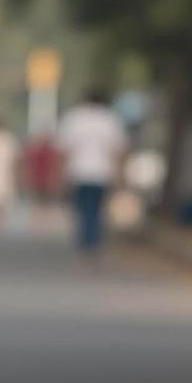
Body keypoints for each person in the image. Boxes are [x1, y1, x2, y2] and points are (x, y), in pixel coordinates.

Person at [55, 87, 128, 259]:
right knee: (97, 210)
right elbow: (119, 150)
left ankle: (85, 244)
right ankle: (93, 243)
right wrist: (120, 174)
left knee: (83, 210)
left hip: (78, 173)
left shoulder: (74, 118)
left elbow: (65, 150)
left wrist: (60, 175)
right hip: (102, 173)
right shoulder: (110, 119)